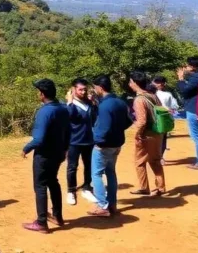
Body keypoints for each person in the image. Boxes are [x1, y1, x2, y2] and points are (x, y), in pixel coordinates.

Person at [22, 79, 70, 233]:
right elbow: (68, 132)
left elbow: (39, 139)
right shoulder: (63, 108)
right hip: (58, 153)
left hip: (44, 155)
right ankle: (57, 216)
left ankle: (41, 222)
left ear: (42, 94)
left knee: (40, 186)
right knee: (53, 182)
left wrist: (26, 148)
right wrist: (65, 150)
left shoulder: (45, 111)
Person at [87, 75, 130, 218]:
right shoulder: (120, 102)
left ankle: (102, 205)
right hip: (117, 143)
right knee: (111, 172)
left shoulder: (105, 106)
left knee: (97, 174)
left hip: (104, 145)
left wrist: (95, 140)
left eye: (94, 87)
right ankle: (112, 203)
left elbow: (103, 128)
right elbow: (128, 121)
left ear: (100, 87)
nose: (94, 90)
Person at [127, 72, 166, 196]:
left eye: (130, 82)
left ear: (134, 83)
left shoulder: (139, 99)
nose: (129, 84)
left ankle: (144, 187)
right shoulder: (153, 96)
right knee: (155, 160)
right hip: (157, 132)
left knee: (139, 162)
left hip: (146, 134)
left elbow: (142, 121)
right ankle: (161, 187)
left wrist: (138, 134)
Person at [65, 78, 97, 206]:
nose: (83, 92)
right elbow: (70, 117)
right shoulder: (69, 105)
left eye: (85, 89)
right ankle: (71, 191)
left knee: (89, 165)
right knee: (72, 167)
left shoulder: (89, 103)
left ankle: (87, 187)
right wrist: (69, 102)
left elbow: (95, 118)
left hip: (89, 140)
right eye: (80, 89)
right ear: (73, 90)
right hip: (74, 141)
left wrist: (95, 104)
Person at [176, 56, 198, 170]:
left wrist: (180, 79)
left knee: (197, 136)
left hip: (194, 109)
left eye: (188, 65)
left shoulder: (197, 77)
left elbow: (184, 90)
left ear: (193, 66)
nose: (186, 67)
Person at [151, 76, 180, 164]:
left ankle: (158, 157)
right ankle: (159, 157)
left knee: (157, 138)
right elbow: (175, 106)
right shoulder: (166, 94)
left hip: (157, 118)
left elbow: (174, 106)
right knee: (161, 138)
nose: (158, 84)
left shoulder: (152, 94)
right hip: (162, 118)